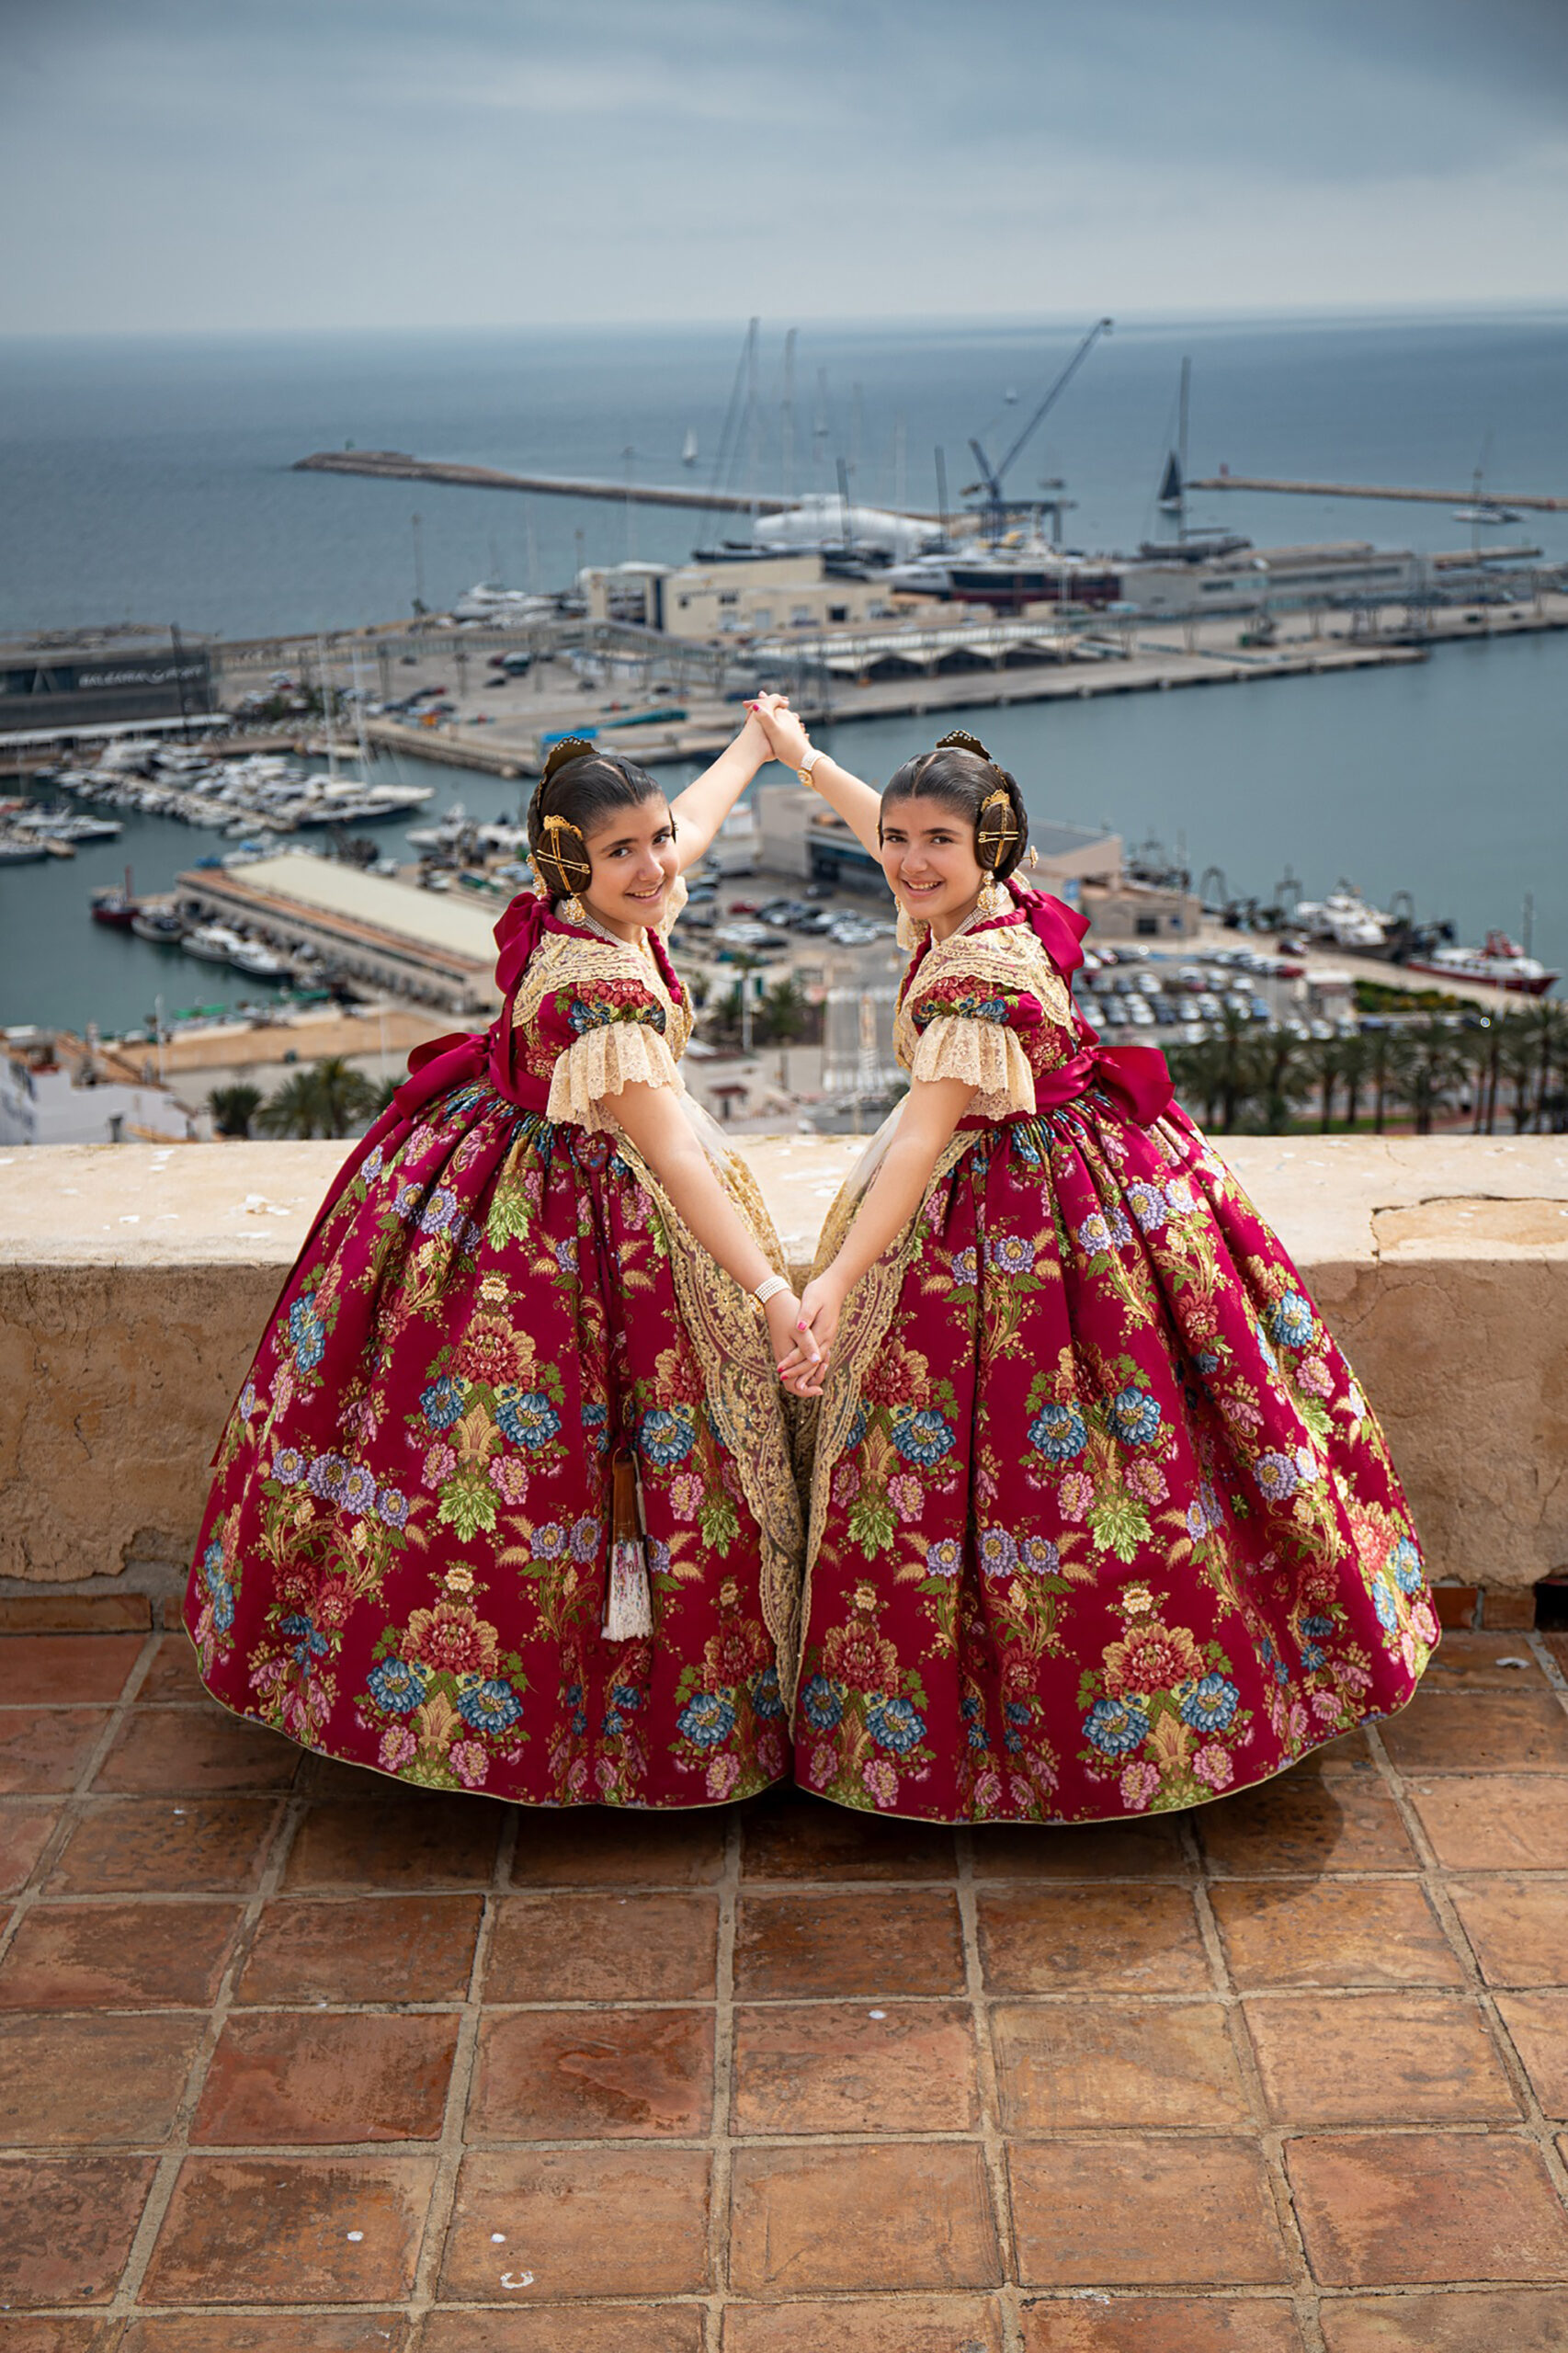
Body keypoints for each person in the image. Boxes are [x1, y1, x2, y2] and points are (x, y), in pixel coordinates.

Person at [754, 703, 1437, 1825]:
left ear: (989, 848)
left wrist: (828, 1283)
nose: (909, 861)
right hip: (1104, 1174)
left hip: (1012, 1207)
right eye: (897, 840)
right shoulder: (999, 903)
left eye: (936, 842)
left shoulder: (974, 973)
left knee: (1037, 1469)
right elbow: (882, 818)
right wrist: (804, 760)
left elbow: (922, 1142)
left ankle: (1043, 1744)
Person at [186, 707, 812, 1809]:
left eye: (654, 838)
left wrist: (756, 751)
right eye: (623, 850)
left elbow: (695, 832)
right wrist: (767, 1293)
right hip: (579, 1227)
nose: (656, 863)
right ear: (568, 863)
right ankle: (606, 1733)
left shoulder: (571, 912)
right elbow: (672, 1159)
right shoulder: (602, 1000)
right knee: (590, 1472)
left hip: (488, 1167)